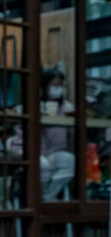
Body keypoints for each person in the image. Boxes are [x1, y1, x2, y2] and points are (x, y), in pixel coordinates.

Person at [39, 68, 75, 201]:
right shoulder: (38, 105)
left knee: (70, 162)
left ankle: (48, 196)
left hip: (58, 152)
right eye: (54, 85)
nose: (58, 89)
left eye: (60, 85)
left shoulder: (66, 106)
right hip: (40, 153)